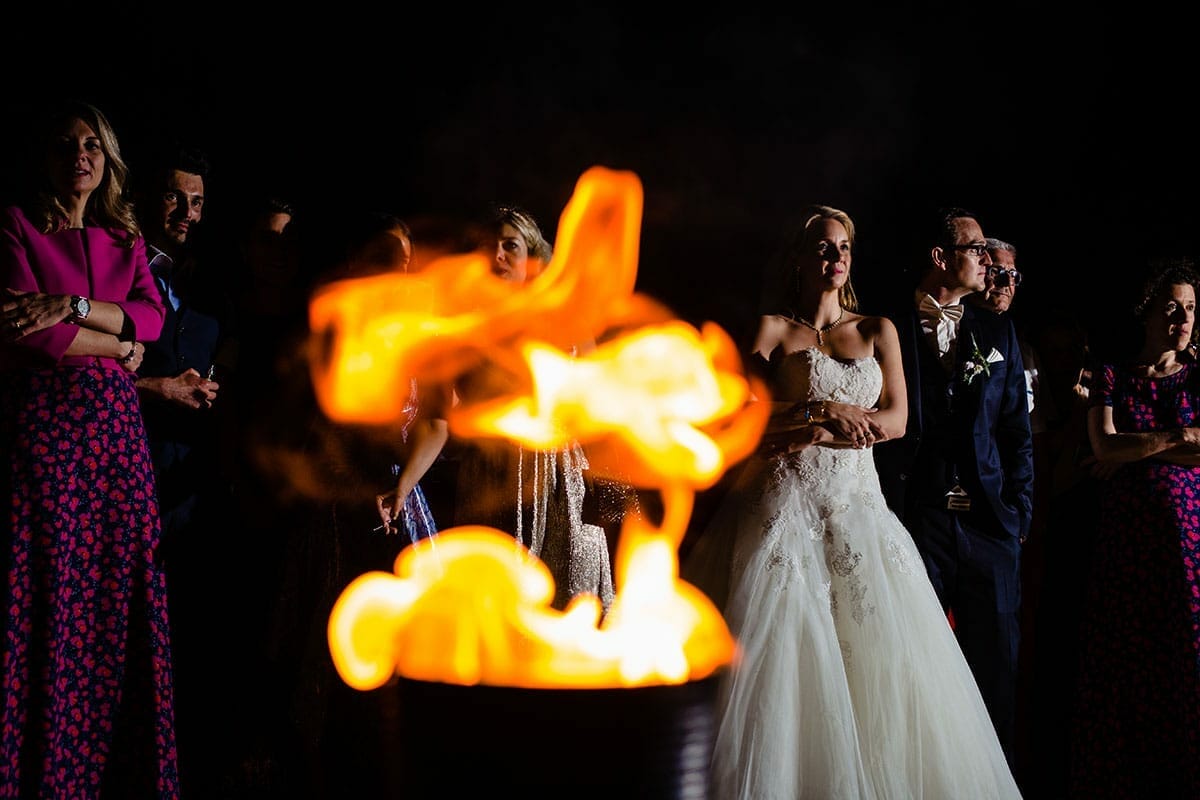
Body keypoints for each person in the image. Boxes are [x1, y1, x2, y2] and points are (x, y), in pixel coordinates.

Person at [682, 204, 1020, 798]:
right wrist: (819, 412)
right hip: (782, 512)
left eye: (843, 248)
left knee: (884, 674)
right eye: (823, 247)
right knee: (784, 667)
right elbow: (737, 419)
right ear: (798, 259)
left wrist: (822, 428)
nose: (835, 257)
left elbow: (897, 419)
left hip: (858, 511)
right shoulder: (770, 331)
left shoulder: (875, 330)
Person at [0, 99, 176, 797]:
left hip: (116, 447)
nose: (80, 155)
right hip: (47, 440)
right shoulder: (15, 225)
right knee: (50, 591)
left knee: (115, 595)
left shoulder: (124, 240)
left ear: (107, 161)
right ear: (47, 158)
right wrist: (118, 345)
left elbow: (155, 321)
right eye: (67, 144)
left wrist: (72, 307)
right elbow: (23, 330)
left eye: (92, 146)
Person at [873, 207, 1034, 768]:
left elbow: (1016, 431)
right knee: (917, 665)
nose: (988, 260)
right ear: (941, 258)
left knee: (996, 670)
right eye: (976, 248)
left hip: (990, 523)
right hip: (916, 519)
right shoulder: (885, 323)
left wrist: (1019, 516)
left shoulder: (997, 332)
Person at [1069, 257, 1200, 799]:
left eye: (1191, 309)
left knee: (1185, 656)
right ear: (1147, 314)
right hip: (1126, 542)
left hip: (1187, 543)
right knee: (1126, 660)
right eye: (1171, 308)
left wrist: (1135, 450)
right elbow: (1103, 445)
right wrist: (1178, 438)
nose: (1183, 319)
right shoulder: (1110, 374)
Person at [452, 203, 618, 612]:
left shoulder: (565, 317)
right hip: (492, 473)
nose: (498, 256)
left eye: (510, 245)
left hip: (557, 473)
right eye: (490, 247)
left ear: (532, 256)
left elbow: (596, 401)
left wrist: (607, 478)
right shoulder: (466, 325)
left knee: (565, 593)